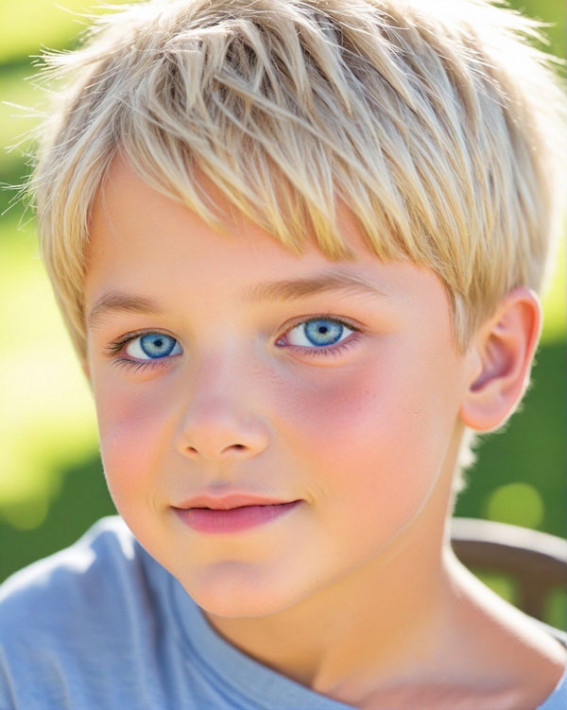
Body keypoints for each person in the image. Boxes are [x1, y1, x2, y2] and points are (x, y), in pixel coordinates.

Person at [1, 0, 565, 708]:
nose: (210, 426)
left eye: (318, 331)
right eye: (150, 344)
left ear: (489, 360)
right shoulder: (32, 664)